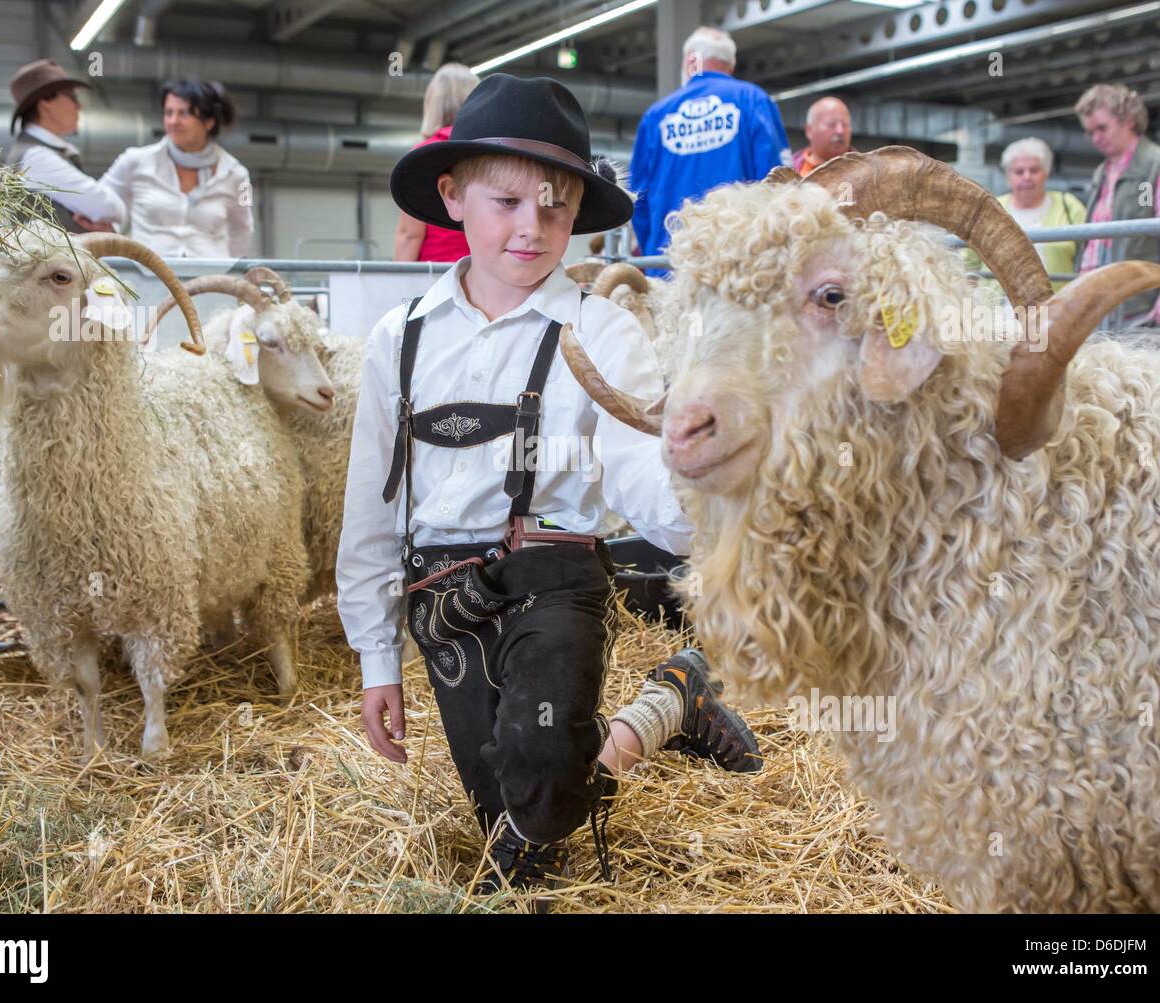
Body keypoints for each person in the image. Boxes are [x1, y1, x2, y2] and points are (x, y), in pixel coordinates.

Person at [336, 74, 761, 896]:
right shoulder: (400, 339)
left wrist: (711, 498)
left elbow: (642, 475)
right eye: (506, 203)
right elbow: (371, 508)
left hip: (554, 579)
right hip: (443, 594)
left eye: (555, 208)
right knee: (512, 802)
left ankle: (539, 825)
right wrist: (373, 657)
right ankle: (670, 704)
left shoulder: (602, 331)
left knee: (531, 816)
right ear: (453, 197)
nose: (531, 229)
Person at [628, 26, 790, 266]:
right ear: (730, 65)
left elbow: (637, 198)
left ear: (689, 62)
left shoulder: (657, 116)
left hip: (669, 262)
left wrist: (653, 249)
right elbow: (778, 184)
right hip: (737, 265)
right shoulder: (753, 100)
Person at [1073, 84, 1160, 329]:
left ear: (1128, 120)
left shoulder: (1159, 164)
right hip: (1099, 300)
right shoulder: (1101, 172)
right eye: (1089, 132)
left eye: (1102, 128)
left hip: (1138, 302)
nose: (1096, 138)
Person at [100, 79, 253, 258]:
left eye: (184, 113)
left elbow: (243, 230)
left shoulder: (238, 175)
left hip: (209, 279)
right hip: (147, 277)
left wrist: (226, 270)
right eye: (169, 112)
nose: (173, 121)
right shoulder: (134, 161)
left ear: (209, 121)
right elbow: (101, 202)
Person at [2, 59, 125, 233]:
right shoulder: (36, 157)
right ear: (46, 102)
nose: (78, 106)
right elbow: (108, 207)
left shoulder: (40, 152)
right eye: (72, 97)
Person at [962, 138, 1086, 292]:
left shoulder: (1069, 206)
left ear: (1046, 173)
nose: (1027, 177)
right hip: (997, 312)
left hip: (1057, 310)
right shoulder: (990, 209)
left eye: (1034, 170)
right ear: (1008, 177)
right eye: (1019, 172)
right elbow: (968, 263)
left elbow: (1089, 258)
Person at [395, 63, 477, 262]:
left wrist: (397, 283)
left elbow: (411, 234)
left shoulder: (422, 156)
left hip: (435, 273)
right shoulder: (488, 153)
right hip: (484, 271)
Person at [792, 96, 852, 177]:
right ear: (809, 130)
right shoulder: (788, 172)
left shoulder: (868, 173)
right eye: (831, 124)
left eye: (845, 124)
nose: (840, 131)